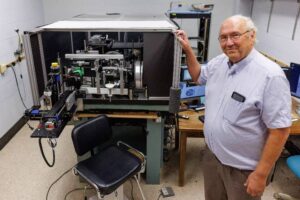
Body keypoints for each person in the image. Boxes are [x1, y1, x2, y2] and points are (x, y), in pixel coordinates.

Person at [176, 15, 291, 200]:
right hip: (213, 158)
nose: (229, 43)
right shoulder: (219, 63)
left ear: (251, 36)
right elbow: (198, 75)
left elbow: (280, 131)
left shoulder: (270, 76)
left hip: (242, 171)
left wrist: (261, 174)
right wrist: (188, 49)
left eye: (235, 35)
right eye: (223, 37)